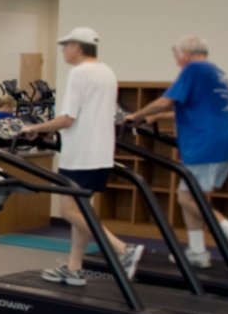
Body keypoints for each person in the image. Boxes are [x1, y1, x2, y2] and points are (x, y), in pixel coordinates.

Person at [124, 36, 228, 267]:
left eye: (176, 56)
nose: (176, 61)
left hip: (206, 142)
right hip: (226, 139)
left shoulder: (194, 69)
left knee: (188, 198)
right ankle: (198, 252)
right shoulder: (216, 72)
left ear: (186, 53)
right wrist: (156, 117)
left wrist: (134, 116)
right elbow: (198, 109)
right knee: (188, 195)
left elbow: (165, 101)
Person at [19, 27, 141, 285]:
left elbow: (67, 119)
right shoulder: (107, 72)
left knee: (69, 211)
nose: (64, 50)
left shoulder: (79, 73)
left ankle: (123, 250)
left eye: (67, 45)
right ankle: (74, 267)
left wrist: (33, 128)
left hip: (80, 155)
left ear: (79, 47)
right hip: (101, 154)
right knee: (82, 210)